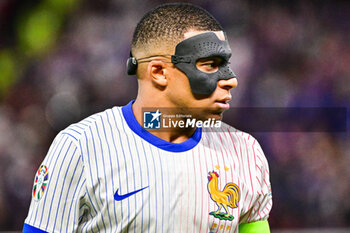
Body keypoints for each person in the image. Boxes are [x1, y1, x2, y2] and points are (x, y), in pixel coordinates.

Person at [23, 3, 272, 233]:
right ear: (159, 72)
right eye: (210, 64)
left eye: (226, 64)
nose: (231, 79)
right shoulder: (80, 147)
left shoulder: (245, 152)